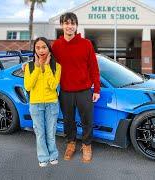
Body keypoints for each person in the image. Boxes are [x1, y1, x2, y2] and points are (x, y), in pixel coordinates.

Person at [51, 12, 100, 163]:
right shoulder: (57, 46)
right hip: (65, 91)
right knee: (68, 120)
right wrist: (31, 64)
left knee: (87, 120)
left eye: (72, 23)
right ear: (62, 25)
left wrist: (97, 89)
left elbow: (94, 68)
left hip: (84, 90)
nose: (69, 26)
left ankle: (86, 145)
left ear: (76, 26)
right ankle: (71, 144)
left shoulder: (86, 44)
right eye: (66, 23)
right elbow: (49, 65)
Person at [24, 37, 61, 167]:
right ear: (34, 50)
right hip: (35, 104)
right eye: (38, 47)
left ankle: (53, 155)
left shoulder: (56, 66)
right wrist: (38, 67)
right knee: (40, 133)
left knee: (51, 132)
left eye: (44, 47)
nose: (41, 50)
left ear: (49, 49)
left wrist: (46, 66)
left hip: (52, 104)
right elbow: (28, 86)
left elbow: (53, 85)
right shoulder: (29, 66)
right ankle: (43, 158)